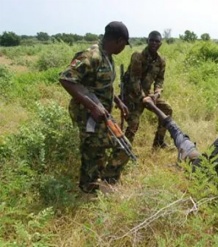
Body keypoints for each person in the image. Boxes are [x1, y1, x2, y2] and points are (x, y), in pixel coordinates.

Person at [59, 21, 131, 193]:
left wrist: (117, 101)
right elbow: (66, 79)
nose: (123, 48)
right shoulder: (92, 55)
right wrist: (92, 107)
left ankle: (100, 184)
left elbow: (99, 85)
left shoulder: (107, 57)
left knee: (102, 151)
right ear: (119, 41)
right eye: (124, 44)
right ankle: (91, 188)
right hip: (88, 115)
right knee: (102, 150)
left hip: (102, 113)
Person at [122, 31, 172, 148]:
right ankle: (124, 150)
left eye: (157, 41)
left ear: (161, 43)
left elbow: (160, 79)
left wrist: (157, 93)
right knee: (133, 123)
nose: (154, 43)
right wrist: (144, 97)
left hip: (148, 95)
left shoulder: (161, 60)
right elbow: (135, 80)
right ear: (147, 41)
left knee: (167, 110)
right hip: (132, 95)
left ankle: (159, 142)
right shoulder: (138, 56)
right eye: (151, 40)